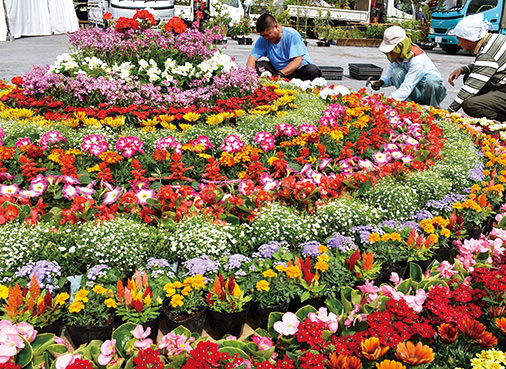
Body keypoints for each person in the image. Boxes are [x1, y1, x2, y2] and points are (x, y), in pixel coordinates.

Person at [447, 14, 506, 121]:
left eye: (460, 39)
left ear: (470, 38)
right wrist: (463, 69)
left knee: (470, 104)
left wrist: (447, 113)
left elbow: (469, 89)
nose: (459, 44)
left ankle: (502, 119)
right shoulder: (494, 38)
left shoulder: (487, 54)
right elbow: (487, 65)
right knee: (469, 75)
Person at [369, 25, 447, 107]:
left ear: (401, 46)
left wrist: (387, 101)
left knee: (432, 82)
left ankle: (434, 109)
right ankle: (408, 107)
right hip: (414, 91)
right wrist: (381, 82)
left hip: (428, 93)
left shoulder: (417, 58)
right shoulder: (396, 57)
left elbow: (408, 86)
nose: (389, 53)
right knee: (396, 72)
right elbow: (390, 77)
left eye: (392, 50)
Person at [246, 13, 322, 81]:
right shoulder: (263, 39)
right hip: (276, 71)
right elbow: (252, 59)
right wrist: (252, 77)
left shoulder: (292, 35)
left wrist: (280, 75)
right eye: (263, 35)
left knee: (313, 70)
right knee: (257, 66)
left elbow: (297, 61)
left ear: (276, 26)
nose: (265, 38)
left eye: (267, 34)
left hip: (297, 72)